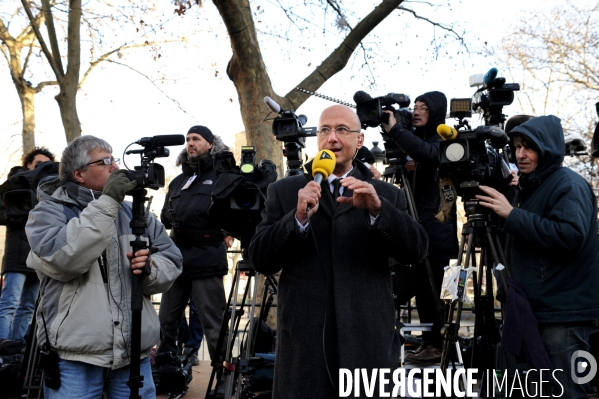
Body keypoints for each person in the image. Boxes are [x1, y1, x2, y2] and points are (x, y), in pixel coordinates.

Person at [248, 104, 428, 398]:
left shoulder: (386, 194)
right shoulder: (285, 191)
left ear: (359, 140)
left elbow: (417, 250)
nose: (332, 138)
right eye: (324, 130)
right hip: (306, 350)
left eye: (342, 130)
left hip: (367, 345)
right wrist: (296, 219)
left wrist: (379, 211)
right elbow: (260, 259)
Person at [25, 136, 182, 398]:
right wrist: (108, 202)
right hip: (74, 358)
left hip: (134, 353)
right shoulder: (48, 212)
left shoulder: (136, 213)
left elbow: (172, 260)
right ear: (78, 174)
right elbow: (63, 260)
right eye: (105, 161)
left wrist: (150, 270)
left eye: (115, 159)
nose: (115, 167)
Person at [475, 115, 599, 398]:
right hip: (534, 308)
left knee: (565, 391)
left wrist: (512, 214)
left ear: (548, 148)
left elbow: (570, 236)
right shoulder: (529, 187)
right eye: (517, 147)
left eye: (529, 147)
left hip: (562, 312)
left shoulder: (568, 185)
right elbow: (524, 239)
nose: (520, 154)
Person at [381, 91, 459, 363]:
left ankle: (441, 345)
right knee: (422, 291)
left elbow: (429, 155)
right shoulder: (416, 142)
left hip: (437, 233)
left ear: (436, 112)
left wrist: (396, 131)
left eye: (423, 108)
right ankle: (431, 343)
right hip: (420, 228)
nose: (416, 111)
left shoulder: (446, 141)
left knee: (438, 290)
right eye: (415, 106)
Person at [157, 125, 230, 363]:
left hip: (208, 256)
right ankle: (166, 369)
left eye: (196, 139)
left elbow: (235, 213)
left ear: (210, 144)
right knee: (167, 320)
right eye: (188, 139)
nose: (190, 143)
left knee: (214, 323)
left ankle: (222, 378)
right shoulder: (178, 182)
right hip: (176, 256)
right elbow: (165, 217)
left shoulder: (221, 177)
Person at [0, 147, 55, 341]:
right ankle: (2, 348)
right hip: (17, 255)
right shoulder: (14, 184)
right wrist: (25, 217)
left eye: (45, 165)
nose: (40, 168)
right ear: (28, 165)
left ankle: (16, 350)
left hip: (38, 257)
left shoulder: (51, 189)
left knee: (29, 305)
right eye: (37, 164)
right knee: (10, 303)